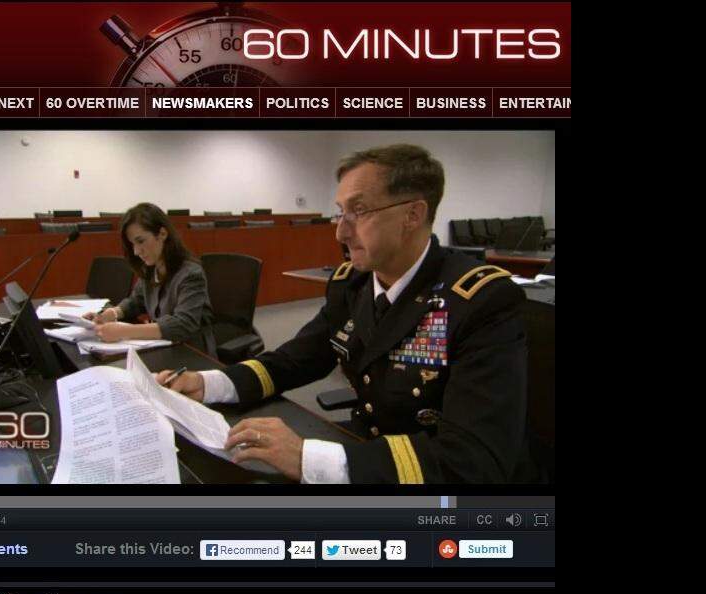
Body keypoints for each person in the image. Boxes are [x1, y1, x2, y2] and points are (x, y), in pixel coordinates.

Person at [156, 144, 532, 483]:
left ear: (413, 215)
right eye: (340, 212)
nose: (340, 232)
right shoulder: (352, 285)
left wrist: (308, 458)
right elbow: (294, 360)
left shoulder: (480, 301)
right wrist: (208, 384)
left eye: (359, 211)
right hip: (366, 449)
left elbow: (473, 460)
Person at [84, 203, 216, 354]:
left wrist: (123, 331)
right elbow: (136, 301)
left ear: (162, 234)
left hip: (192, 352)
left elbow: (183, 325)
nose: (136, 251)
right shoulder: (151, 269)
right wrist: (112, 313)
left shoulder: (191, 274)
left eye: (140, 241)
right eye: (132, 244)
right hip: (163, 347)